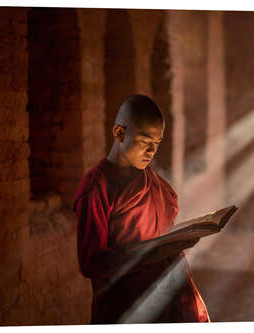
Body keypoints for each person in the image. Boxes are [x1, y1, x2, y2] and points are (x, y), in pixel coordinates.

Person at [73, 94, 210, 324]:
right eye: (145, 141)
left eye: (156, 144)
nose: (151, 151)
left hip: (168, 294)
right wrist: (147, 254)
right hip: (128, 304)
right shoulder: (97, 187)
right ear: (119, 133)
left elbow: (164, 224)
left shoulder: (151, 180)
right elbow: (92, 262)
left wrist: (180, 238)